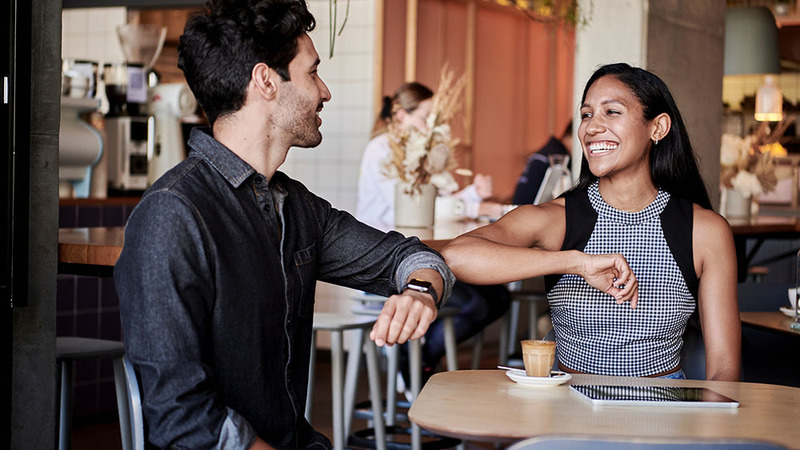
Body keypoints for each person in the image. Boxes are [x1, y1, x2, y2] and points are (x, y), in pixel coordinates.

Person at [114, 2, 455, 448]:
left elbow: (409, 256)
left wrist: (420, 292)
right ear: (266, 81)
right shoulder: (172, 215)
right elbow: (180, 417)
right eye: (313, 72)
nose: (325, 91)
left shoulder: (294, 206)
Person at [442, 63, 741, 382]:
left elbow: (724, 367)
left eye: (611, 112)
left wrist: (708, 426)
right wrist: (574, 263)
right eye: (586, 115)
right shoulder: (556, 219)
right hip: (570, 408)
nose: (592, 127)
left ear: (658, 127)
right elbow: (457, 256)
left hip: (662, 412)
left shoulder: (705, 231)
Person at [356, 82, 509, 375]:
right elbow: (413, 202)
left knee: (496, 297)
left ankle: (421, 356)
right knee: (481, 302)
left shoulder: (419, 151)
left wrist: (473, 194)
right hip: (388, 258)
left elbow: (436, 199)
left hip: (418, 253)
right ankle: (416, 360)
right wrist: (474, 206)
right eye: (424, 117)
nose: (429, 125)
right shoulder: (381, 150)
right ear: (400, 115)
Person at [512, 120, 572, 205]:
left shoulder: (546, 153)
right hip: (532, 211)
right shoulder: (557, 158)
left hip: (521, 209)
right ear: (570, 135)